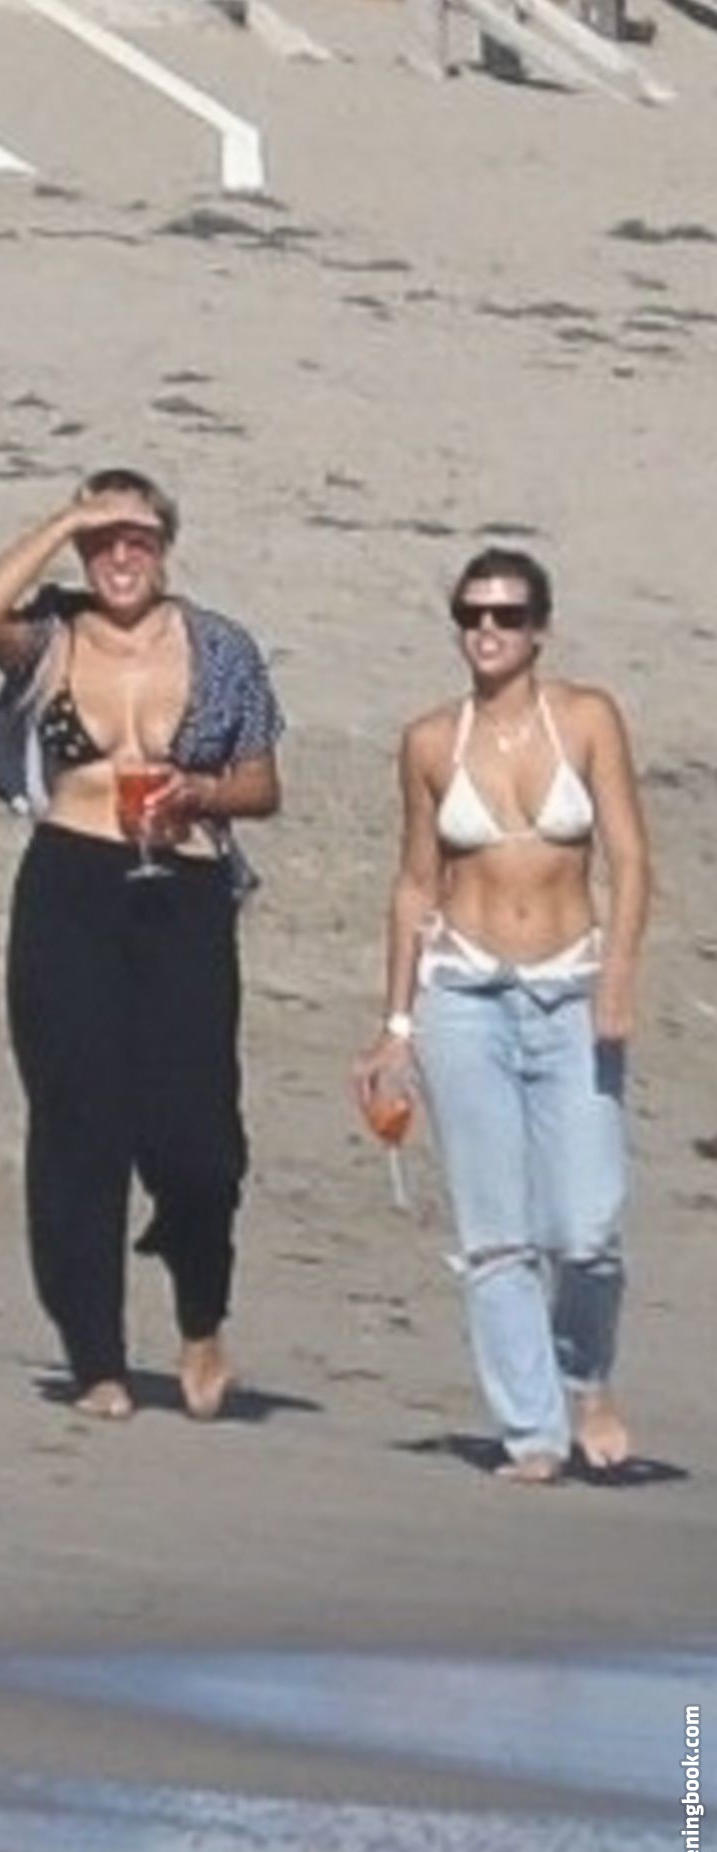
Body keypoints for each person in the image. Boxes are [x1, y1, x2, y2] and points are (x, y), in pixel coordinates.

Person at [0, 468, 284, 1420]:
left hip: (183, 885)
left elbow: (263, 785)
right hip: (72, 882)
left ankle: (201, 1315)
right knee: (76, 1124)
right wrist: (69, 517)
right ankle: (95, 1355)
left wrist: (203, 792)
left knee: (199, 1139)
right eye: (102, 542)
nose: (119, 557)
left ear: (165, 547)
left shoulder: (220, 649)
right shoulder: (51, 638)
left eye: (136, 537)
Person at [355, 548, 650, 1482]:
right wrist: (397, 1026)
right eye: (472, 614)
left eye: (507, 615)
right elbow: (415, 884)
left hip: (572, 990)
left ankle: (585, 1378)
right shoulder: (431, 741)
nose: (488, 630)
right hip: (465, 995)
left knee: (588, 1227)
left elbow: (631, 859)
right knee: (495, 1234)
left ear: (539, 629)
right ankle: (533, 1432)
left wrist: (617, 977)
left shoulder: (587, 718)